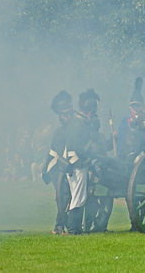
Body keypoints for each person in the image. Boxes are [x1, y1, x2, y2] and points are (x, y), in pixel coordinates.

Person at [64, 88, 100, 235]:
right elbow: (79, 148)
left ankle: (75, 228)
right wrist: (89, 161)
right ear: (90, 112)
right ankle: (74, 229)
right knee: (79, 198)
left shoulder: (74, 122)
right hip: (78, 164)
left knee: (77, 196)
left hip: (71, 163)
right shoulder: (81, 125)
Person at [41, 90, 74, 234]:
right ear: (61, 116)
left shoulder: (71, 128)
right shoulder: (60, 131)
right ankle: (59, 227)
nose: (69, 116)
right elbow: (60, 154)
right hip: (55, 165)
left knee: (68, 194)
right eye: (66, 114)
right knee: (64, 194)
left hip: (65, 164)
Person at [117, 77, 145, 163]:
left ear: (142, 106)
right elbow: (121, 139)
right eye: (133, 105)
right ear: (130, 107)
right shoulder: (125, 121)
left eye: (138, 105)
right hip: (128, 152)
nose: (136, 108)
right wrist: (119, 155)